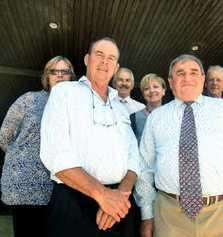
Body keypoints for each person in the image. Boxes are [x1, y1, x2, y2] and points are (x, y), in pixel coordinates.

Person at [135, 54, 223, 237]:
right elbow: (144, 168)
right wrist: (147, 215)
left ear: (202, 79)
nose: (187, 78)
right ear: (170, 81)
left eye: (193, 72)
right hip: (169, 217)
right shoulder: (156, 118)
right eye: (180, 73)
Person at [40, 37, 141, 237]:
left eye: (111, 58)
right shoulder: (64, 92)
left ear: (116, 66)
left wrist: (120, 195)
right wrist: (103, 195)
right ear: (87, 59)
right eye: (99, 55)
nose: (105, 62)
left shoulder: (120, 106)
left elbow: (134, 156)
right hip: (73, 201)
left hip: (119, 204)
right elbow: (54, 154)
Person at [0, 55, 75, 237]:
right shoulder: (29, 100)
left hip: (61, 187)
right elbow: (5, 136)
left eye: (64, 71)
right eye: (54, 71)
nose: (59, 75)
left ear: (71, 77)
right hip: (26, 187)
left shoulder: (75, 106)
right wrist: (23, 158)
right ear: (46, 76)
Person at [130, 73, 166, 143]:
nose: (152, 90)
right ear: (143, 94)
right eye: (146, 88)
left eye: (155, 87)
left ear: (163, 91)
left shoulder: (173, 116)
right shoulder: (134, 118)